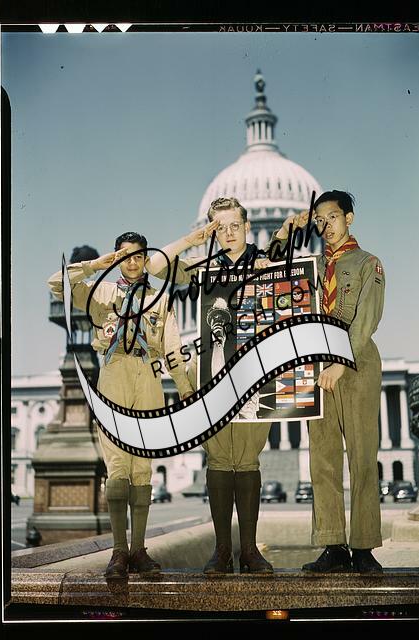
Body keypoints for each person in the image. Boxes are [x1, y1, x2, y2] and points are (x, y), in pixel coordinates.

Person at [147, 197, 308, 574]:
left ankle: (249, 550)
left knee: (248, 461)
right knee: (219, 461)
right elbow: (155, 266)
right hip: (212, 376)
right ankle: (221, 551)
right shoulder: (204, 268)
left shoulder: (267, 262)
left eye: (235, 225)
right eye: (220, 228)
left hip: (255, 377)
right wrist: (192, 240)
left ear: (248, 226)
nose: (229, 233)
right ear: (211, 231)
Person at [48, 232, 193, 579]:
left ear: (145, 259)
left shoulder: (159, 298)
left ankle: (139, 549)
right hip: (113, 373)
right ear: (116, 259)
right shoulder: (100, 292)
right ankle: (118, 551)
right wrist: (95, 265)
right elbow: (56, 284)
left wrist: (185, 389)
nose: (132, 262)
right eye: (124, 256)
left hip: (148, 375)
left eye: (138, 256)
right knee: (117, 468)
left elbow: (172, 347)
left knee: (142, 467)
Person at [300, 190, 385, 574]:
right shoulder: (309, 268)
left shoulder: (368, 263)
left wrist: (339, 362)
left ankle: (364, 547)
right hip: (317, 367)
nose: (325, 226)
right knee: (323, 460)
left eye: (332, 217)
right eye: (319, 221)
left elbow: (367, 318)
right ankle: (333, 545)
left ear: (348, 218)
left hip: (356, 365)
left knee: (362, 457)